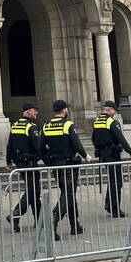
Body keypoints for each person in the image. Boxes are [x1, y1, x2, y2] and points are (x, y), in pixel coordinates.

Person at [41, 100, 90, 239]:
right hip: (68, 165)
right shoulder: (68, 125)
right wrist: (85, 156)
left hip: (56, 165)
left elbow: (40, 148)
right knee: (68, 193)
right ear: (63, 110)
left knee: (68, 193)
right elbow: (77, 144)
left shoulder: (46, 125)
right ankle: (54, 218)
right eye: (67, 108)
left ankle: (75, 225)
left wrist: (48, 161)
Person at [91, 101, 131, 217]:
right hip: (113, 155)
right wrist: (130, 152)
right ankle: (115, 210)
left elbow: (93, 138)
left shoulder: (97, 121)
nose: (115, 113)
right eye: (114, 110)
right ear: (110, 110)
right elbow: (120, 138)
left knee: (112, 180)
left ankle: (109, 204)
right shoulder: (111, 122)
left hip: (103, 155)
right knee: (117, 182)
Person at [5, 103, 42, 233]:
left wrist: (8, 160)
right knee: (33, 191)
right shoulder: (31, 127)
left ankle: (39, 220)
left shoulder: (15, 125)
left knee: (34, 191)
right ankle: (16, 214)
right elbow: (38, 146)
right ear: (27, 112)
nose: (36, 112)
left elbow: (9, 145)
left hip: (19, 163)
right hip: (30, 163)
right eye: (34, 110)